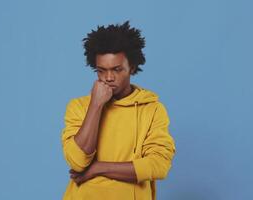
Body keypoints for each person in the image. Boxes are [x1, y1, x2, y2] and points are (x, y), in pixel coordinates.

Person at [61, 20, 176, 200]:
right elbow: (77, 161)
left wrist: (98, 168)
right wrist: (96, 105)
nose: (108, 77)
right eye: (101, 70)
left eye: (116, 69)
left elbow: (159, 165)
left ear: (132, 67)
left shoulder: (152, 109)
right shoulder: (79, 107)